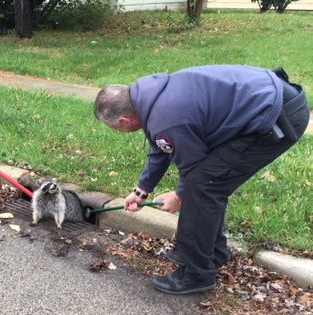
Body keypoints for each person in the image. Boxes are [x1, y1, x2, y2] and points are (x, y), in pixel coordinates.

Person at [94, 65, 309, 295]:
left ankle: (198, 274)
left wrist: (179, 197)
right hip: (271, 101)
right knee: (206, 184)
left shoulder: (166, 117)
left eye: (114, 128)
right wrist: (141, 191)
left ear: (126, 120)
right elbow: (161, 146)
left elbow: (195, 167)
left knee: (202, 187)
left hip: (276, 117)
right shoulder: (149, 98)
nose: (118, 131)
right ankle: (212, 254)